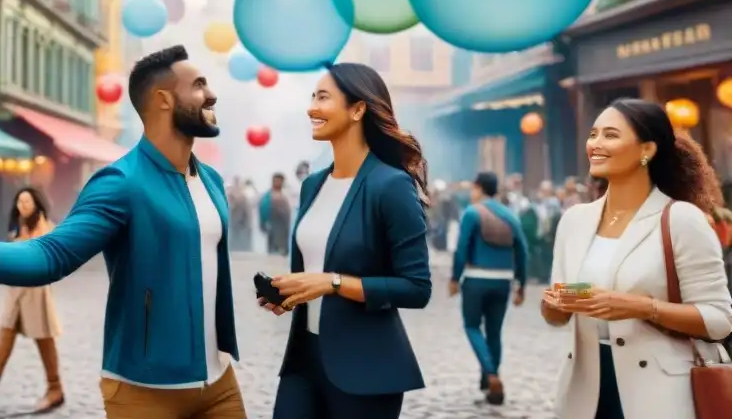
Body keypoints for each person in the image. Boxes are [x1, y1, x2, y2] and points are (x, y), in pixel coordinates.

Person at [0, 46, 246, 419]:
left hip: (219, 385)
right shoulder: (121, 182)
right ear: (163, 100)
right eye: (199, 85)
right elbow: (56, 252)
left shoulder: (212, 181)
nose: (211, 94)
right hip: (145, 390)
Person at [260, 63, 432, 419]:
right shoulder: (313, 185)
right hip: (303, 360)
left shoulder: (391, 185)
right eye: (312, 97)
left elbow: (417, 288)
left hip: (366, 369)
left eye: (323, 98)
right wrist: (291, 292)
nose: (312, 107)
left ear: (357, 109)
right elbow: (313, 269)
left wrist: (333, 283)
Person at [543, 99, 732, 419]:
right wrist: (557, 304)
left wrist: (640, 307)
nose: (596, 144)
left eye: (611, 135)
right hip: (584, 391)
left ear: (646, 149)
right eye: (593, 134)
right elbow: (559, 307)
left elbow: (718, 319)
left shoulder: (682, 219)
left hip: (660, 394)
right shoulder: (574, 220)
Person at [0, 186, 65, 412]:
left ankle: (55, 388)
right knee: (5, 334)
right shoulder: (18, 225)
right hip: (16, 292)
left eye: (27, 202)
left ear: (36, 204)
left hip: (36, 293)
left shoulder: (44, 226)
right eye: (20, 202)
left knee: (44, 339)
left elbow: (39, 254)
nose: (23, 206)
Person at [449, 171, 528, 405]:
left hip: (475, 279)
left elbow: (462, 247)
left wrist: (455, 277)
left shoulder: (472, 213)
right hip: (503, 281)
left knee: (472, 326)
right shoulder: (511, 216)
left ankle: (491, 375)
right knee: (495, 332)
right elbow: (523, 251)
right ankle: (489, 383)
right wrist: (521, 284)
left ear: (477, 188)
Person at [260, 173, 291, 256]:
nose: (278, 183)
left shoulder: (285, 195)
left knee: (283, 253)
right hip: (273, 229)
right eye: (276, 181)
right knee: (273, 254)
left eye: (280, 181)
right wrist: (263, 225)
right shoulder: (268, 197)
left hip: (285, 231)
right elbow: (263, 211)